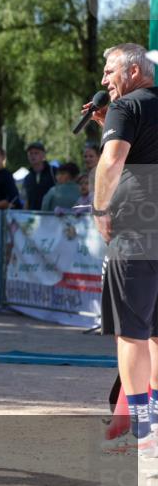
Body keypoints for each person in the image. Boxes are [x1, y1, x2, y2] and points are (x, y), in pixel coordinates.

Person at [84, 42, 158, 455]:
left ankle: (143, 431)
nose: (104, 80)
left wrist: (99, 209)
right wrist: (108, 125)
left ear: (132, 72)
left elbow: (112, 163)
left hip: (136, 235)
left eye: (109, 70)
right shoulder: (130, 110)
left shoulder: (126, 107)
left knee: (131, 333)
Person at [21, 141, 55, 211]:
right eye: (30, 153)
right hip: (33, 216)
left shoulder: (54, 172)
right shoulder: (28, 177)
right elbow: (26, 200)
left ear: (43, 155)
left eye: (36, 153)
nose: (33, 156)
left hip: (51, 215)